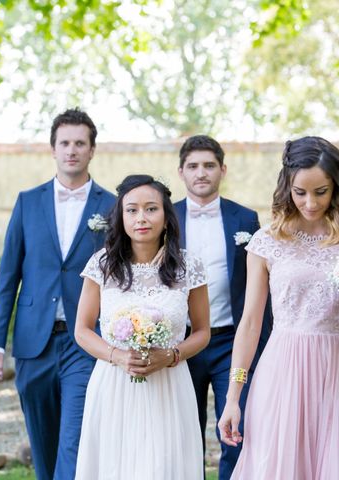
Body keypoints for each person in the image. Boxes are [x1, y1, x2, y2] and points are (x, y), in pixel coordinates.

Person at [218, 136, 339, 480]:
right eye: (300, 192)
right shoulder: (266, 241)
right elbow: (250, 324)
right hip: (282, 368)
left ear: (336, 186)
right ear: (287, 188)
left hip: (337, 367)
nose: (310, 202)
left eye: (320, 192)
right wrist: (233, 396)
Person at [0, 108, 115, 480]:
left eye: (79, 143)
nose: (71, 150)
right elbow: (7, 276)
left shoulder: (111, 205)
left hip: (86, 340)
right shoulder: (28, 201)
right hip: (33, 343)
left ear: (92, 150)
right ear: (53, 149)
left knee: (75, 439)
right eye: (64, 143)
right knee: (43, 445)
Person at [74, 174, 210, 479]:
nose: (141, 218)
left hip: (170, 386)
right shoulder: (102, 264)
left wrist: (172, 355)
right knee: (115, 465)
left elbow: (202, 332)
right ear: (121, 217)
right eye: (131, 210)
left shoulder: (190, 266)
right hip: (114, 384)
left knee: (163, 466)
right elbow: (82, 330)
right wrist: (117, 356)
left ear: (166, 216)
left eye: (151, 209)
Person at [174, 134, 272, 479]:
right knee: (185, 429)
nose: (201, 173)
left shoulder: (245, 219)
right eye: (193, 166)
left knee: (237, 425)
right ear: (181, 172)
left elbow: (264, 284)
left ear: (222, 170)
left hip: (232, 343)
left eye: (209, 165)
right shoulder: (166, 219)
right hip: (182, 344)